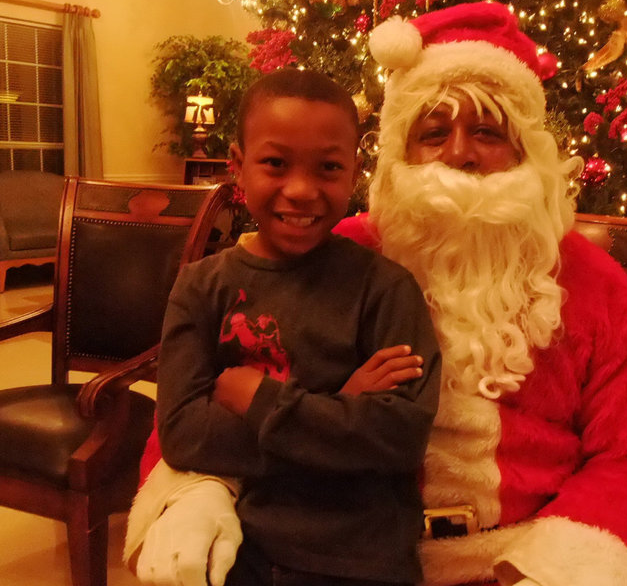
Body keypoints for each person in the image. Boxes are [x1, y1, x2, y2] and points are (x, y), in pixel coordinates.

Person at [127, 2, 627, 586]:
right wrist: (195, 495)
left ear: (525, 149)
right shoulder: (335, 250)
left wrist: (556, 568)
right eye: (433, 133)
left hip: (518, 559)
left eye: (487, 132)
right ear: (400, 151)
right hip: (331, 550)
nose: (459, 153)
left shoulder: (591, 283)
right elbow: (199, 399)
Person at [125, 68, 441, 586]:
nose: (300, 190)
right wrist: (340, 401)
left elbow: (398, 439)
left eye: (328, 168)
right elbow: (182, 435)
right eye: (275, 163)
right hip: (239, 549)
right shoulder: (200, 286)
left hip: (362, 557)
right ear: (237, 166)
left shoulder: (386, 289)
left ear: (353, 173)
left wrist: (258, 400)